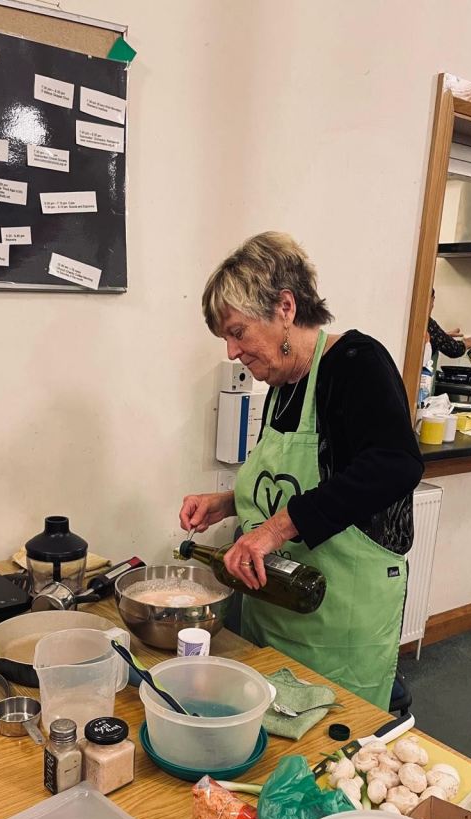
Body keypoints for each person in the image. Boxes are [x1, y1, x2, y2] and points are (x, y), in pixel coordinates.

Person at [179, 232, 424, 710]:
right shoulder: (283, 385)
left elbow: (394, 464)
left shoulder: (357, 364)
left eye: (238, 332)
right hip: (275, 614)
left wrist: (274, 531)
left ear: (285, 308)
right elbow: (305, 482)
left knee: (331, 755)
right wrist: (227, 502)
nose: (231, 352)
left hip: (339, 625)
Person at [427, 288, 471, 361]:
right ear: (432, 299)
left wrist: (444, 336)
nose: (432, 306)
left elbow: (432, 338)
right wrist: (466, 343)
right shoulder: (426, 321)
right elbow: (454, 350)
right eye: (432, 301)